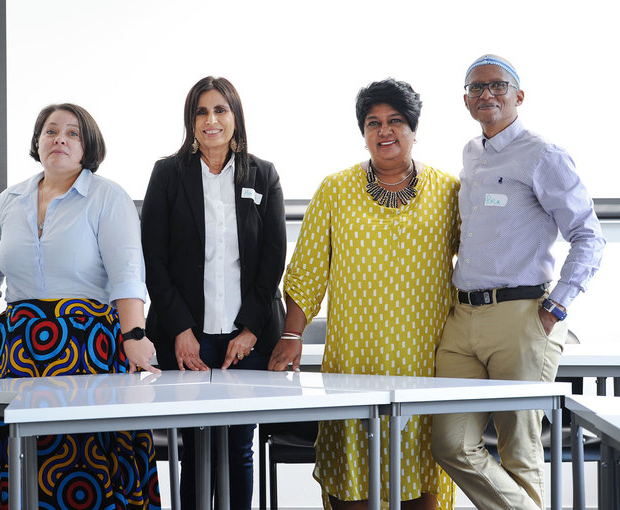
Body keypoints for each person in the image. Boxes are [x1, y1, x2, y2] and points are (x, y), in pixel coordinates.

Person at [268, 78, 458, 509]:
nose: (384, 131)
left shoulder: (449, 192)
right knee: (352, 485)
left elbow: (482, 263)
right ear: (364, 133)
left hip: (425, 366)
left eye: (395, 121)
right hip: (353, 364)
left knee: (423, 481)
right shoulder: (335, 190)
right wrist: (292, 335)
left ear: (413, 129)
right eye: (374, 123)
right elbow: (307, 272)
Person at [0, 103, 161, 509]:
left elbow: (127, 275)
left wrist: (135, 337)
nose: (60, 140)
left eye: (73, 134)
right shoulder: (8, 200)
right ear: (37, 142)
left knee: (85, 458)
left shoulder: (107, 197)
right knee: (17, 462)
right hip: (15, 350)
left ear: (87, 148)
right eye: (51, 131)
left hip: (86, 348)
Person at [430, 54, 605, 510]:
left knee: (519, 452)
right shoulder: (470, 153)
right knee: (450, 443)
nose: (486, 94)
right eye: (476, 88)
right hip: (463, 314)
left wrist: (557, 306)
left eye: (498, 86)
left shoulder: (543, 155)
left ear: (519, 96)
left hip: (523, 314)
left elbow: (589, 236)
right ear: (466, 101)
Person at [141, 76, 286, 509]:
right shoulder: (168, 174)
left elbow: (271, 263)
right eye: (201, 112)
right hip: (188, 335)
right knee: (197, 446)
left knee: (240, 446)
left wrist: (251, 331)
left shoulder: (263, 174)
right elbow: (155, 260)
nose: (211, 120)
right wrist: (181, 329)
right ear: (191, 121)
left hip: (249, 335)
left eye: (220, 110)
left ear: (235, 118)